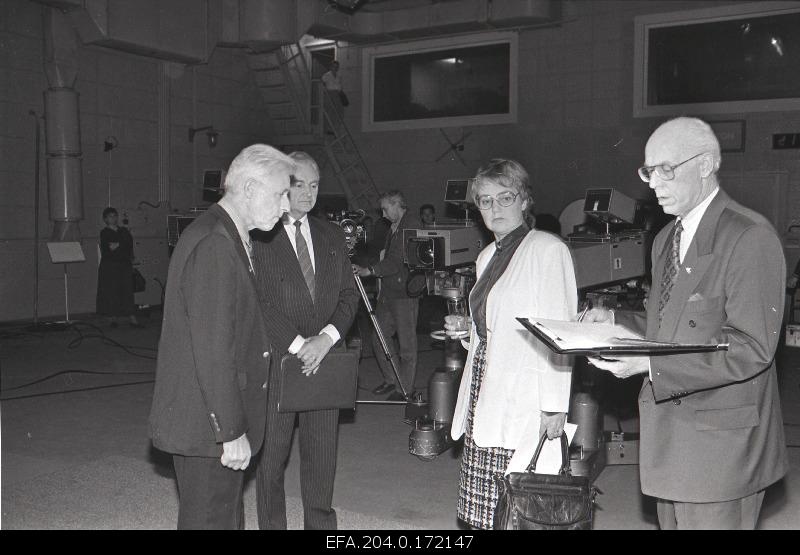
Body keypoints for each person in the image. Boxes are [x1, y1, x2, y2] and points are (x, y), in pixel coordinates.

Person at [585, 117, 788, 530]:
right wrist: (617, 319)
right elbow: (674, 324)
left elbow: (751, 348)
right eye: (648, 170)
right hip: (672, 441)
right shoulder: (665, 240)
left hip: (721, 453)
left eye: (666, 169)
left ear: (706, 164)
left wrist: (649, 366)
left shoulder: (749, 236)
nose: (654, 182)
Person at [148, 144, 295, 529]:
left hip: (209, 421)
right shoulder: (215, 243)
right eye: (281, 193)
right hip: (208, 427)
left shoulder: (226, 235)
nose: (286, 206)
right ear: (249, 188)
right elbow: (213, 348)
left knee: (225, 519)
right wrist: (231, 431)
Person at [445, 159, 577, 529]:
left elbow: (558, 335)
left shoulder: (547, 250)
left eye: (505, 197)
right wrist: (469, 332)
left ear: (524, 201)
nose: (495, 208)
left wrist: (554, 406)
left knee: (518, 507)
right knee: (483, 511)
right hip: (483, 392)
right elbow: (494, 329)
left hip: (524, 395)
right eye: (485, 201)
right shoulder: (487, 256)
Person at [252, 152, 359, 530]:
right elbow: (259, 302)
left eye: (314, 185)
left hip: (325, 360)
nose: (308, 193)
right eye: (299, 184)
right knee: (271, 460)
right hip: (281, 361)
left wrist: (327, 340)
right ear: (283, 185)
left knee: (321, 456)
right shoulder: (260, 234)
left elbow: (349, 294)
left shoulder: (331, 234)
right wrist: (300, 346)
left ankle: (320, 526)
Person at [353, 191, 421, 401]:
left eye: (385, 208)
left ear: (396, 204)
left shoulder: (410, 225)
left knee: (407, 345)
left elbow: (395, 261)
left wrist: (369, 271)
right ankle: (392, 379)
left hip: (404, 293)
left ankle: (405, 389)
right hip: (389, 291)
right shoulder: (394, 226)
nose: (383, 214)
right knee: (379, 338)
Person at [96, 207, 140, 328]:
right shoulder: (104, 232)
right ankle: (112, 318)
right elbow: (110, 248)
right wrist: (122, 244)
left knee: (127, 291)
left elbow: (128, 243)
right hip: (110, 266)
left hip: (124, 265)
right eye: (110, 216)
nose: (114, 218)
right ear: (105, 219)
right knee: (111, 291)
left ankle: (132, 318)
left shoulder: (123, 231)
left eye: (115, 216)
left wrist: (119, 244)